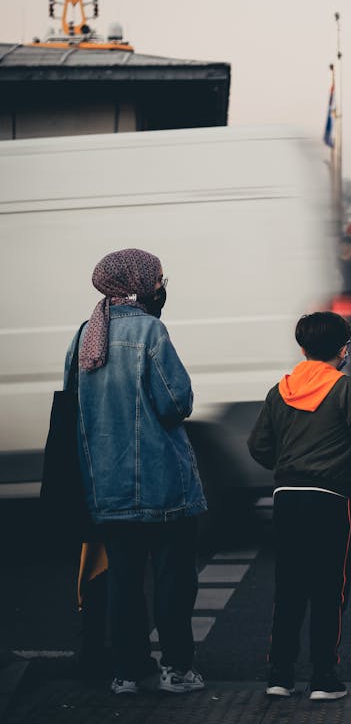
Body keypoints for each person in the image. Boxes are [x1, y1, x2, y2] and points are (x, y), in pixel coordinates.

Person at [67, 248, 207, 696]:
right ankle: (177, 669)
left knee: (123, 583)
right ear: (142, 282)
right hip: (162, 484)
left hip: (106, 486)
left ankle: (127, 670)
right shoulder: (150, 332)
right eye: (160, 278)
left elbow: (73, 405)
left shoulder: (84, 334)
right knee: (174, 582)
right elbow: (175, 402)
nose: (163, 286)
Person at [247, 312, 351, 701]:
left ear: (303, 348)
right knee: (329, 587)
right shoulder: (345, 389)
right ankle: (324, 677)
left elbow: (258, 446)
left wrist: (286, 463)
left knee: (289, 587)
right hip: (331, 498)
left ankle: (280, 675)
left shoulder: (282, 389)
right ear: (343, 350)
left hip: (287, 496)